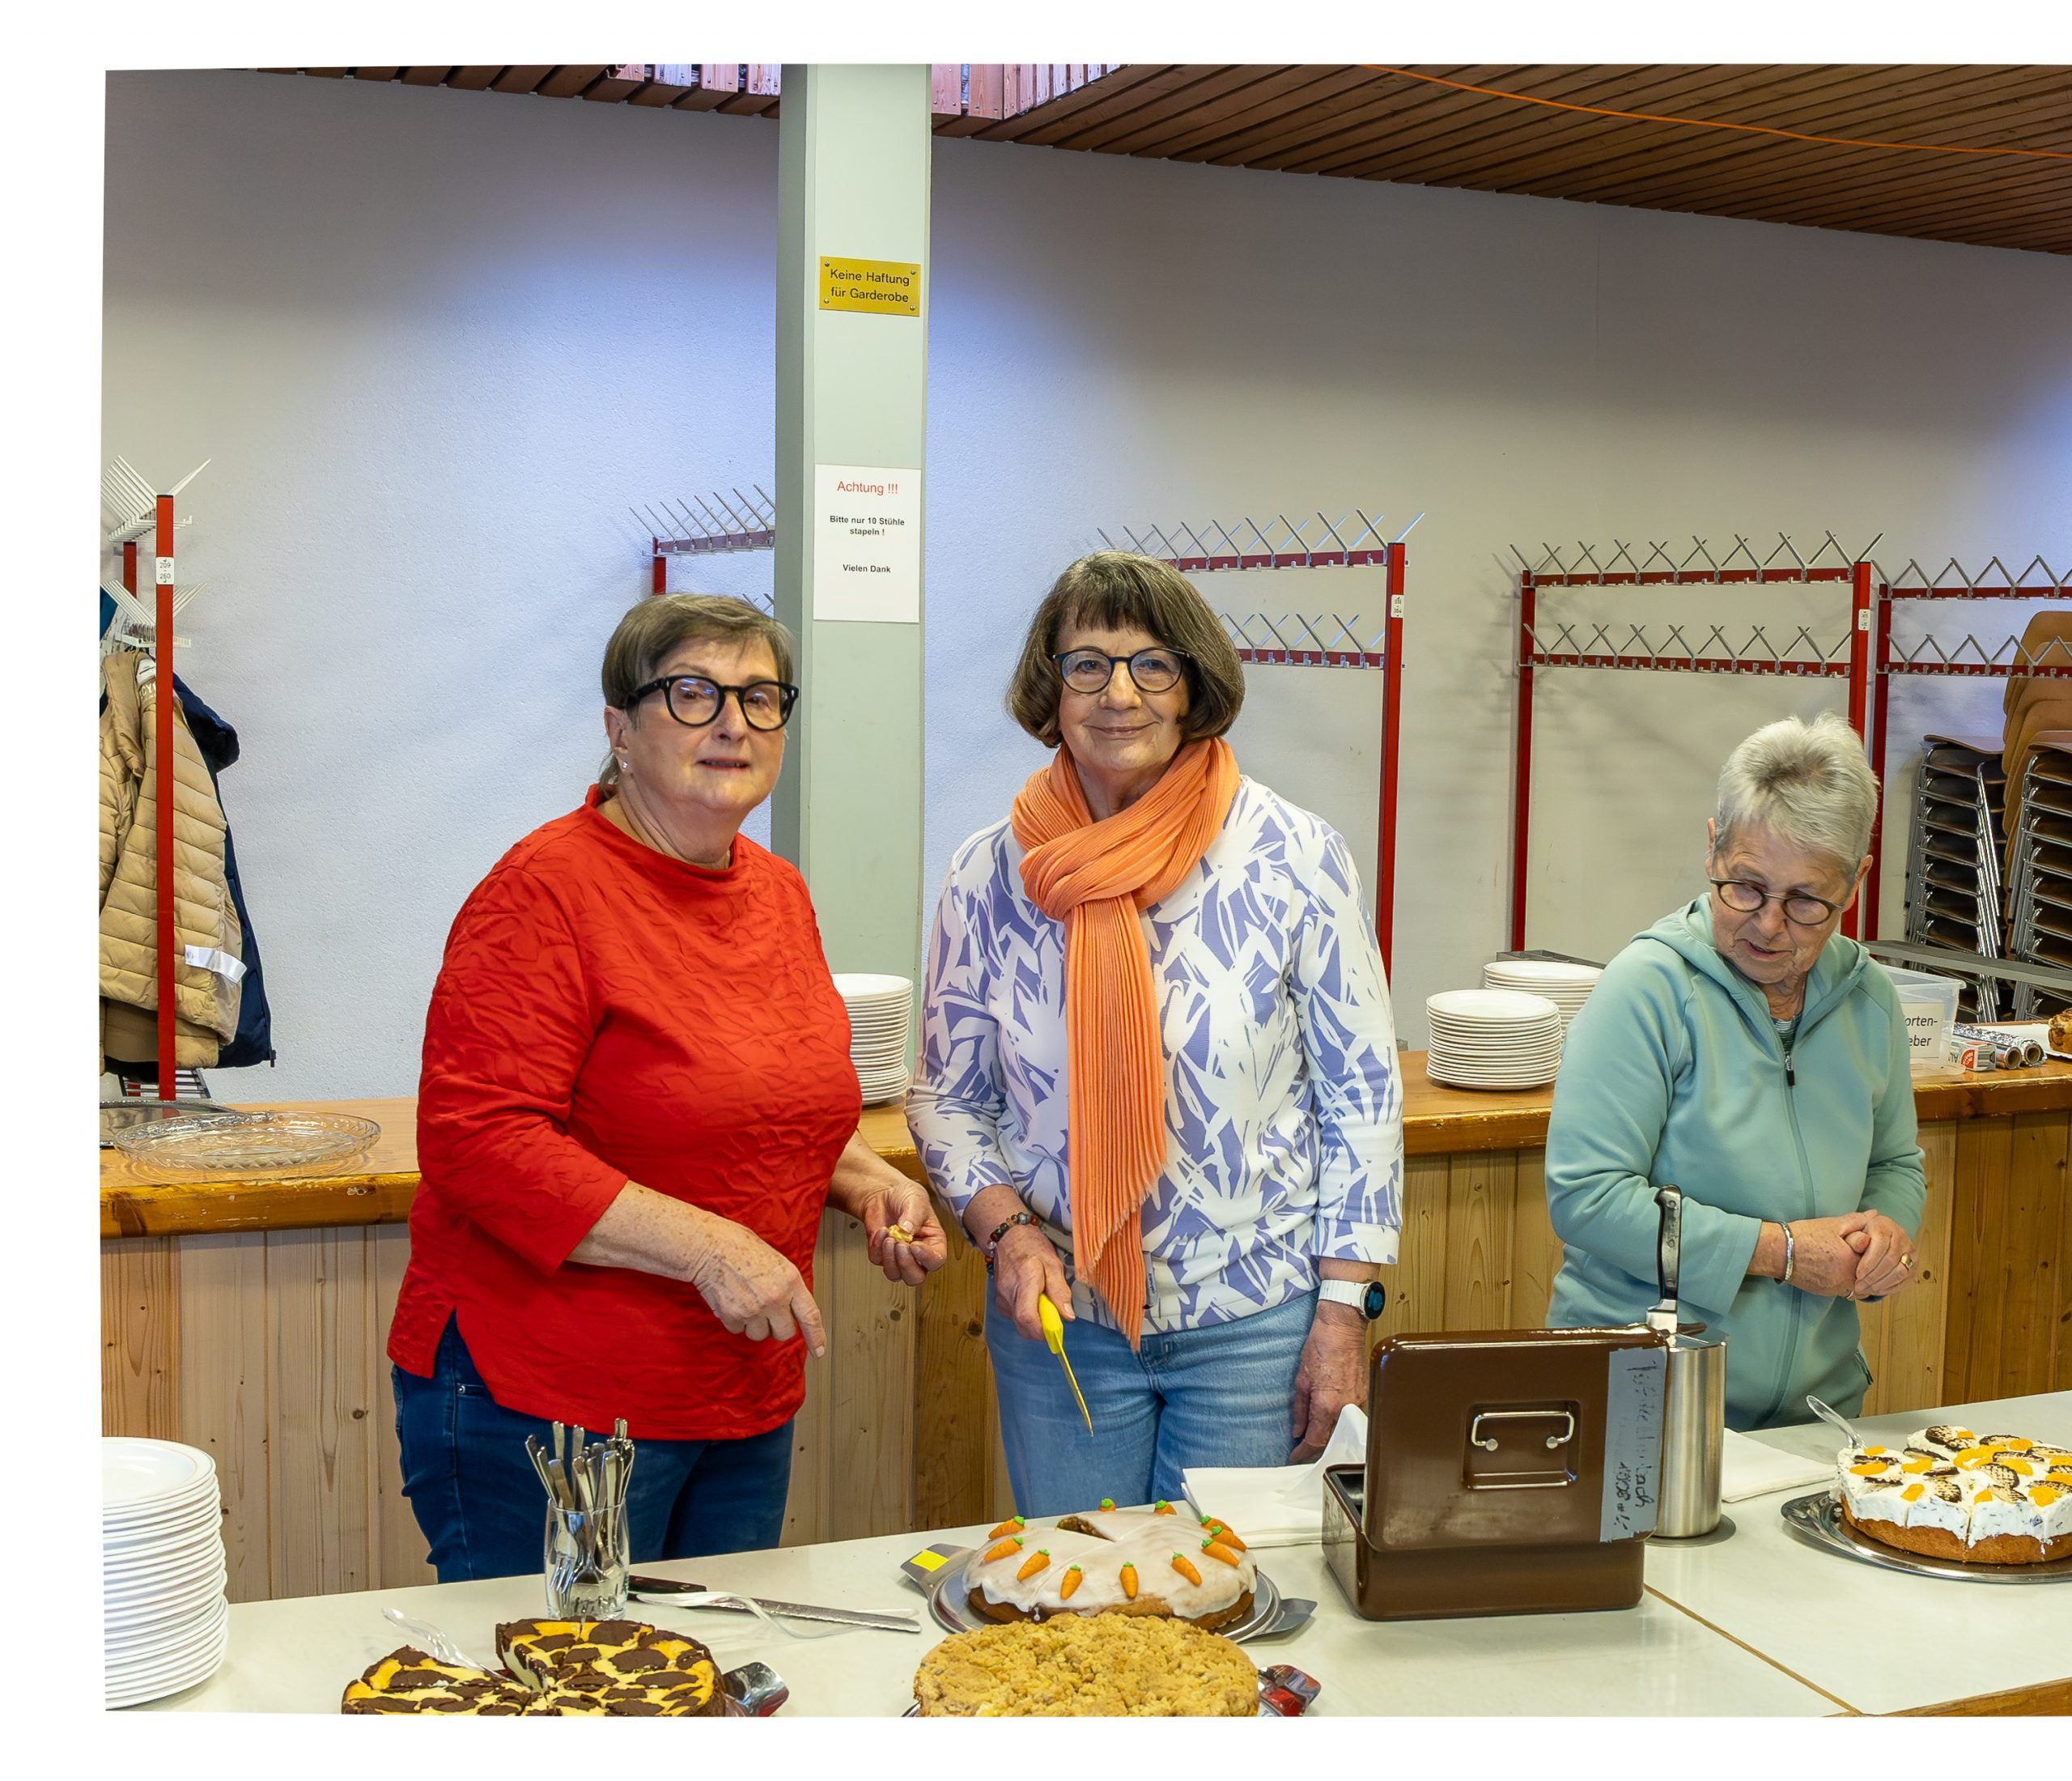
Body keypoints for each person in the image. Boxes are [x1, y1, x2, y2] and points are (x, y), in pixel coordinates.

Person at [389, 593, 947, 1579]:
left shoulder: (775, 891)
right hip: (552, 1404)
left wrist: (866, 1180)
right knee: (564, 1670)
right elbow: (480, 1142)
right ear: (620, 729)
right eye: (693, 693)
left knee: (706, 1664)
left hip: (736, 1391)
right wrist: (708, 1245)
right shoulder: (542, 892)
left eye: (761, 696)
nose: (734, 723)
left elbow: (764, 1100)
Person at [908, 550, 1403, 1514]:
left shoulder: (1294, 856)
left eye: (1151, 664)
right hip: (1060, 1322)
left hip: (1254, 1320)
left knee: (1231, 1586)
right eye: (1087, 664)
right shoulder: (988, 874)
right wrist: (1006, 1230)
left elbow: (1362, 1096)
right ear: (1050, 689)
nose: (1119, 693)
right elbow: (945, 1097)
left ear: (1192, 687)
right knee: (1083, 1586)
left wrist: (1343, 1312)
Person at [1544, 712, 1926, 1430]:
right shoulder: (1648, 988)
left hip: (1817, 1411)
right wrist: (1781, 1253)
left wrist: (1886, 1241)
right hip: (1644, 1401)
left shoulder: (1869, 998)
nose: (1769, 925)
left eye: (1807, 901)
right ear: (1712, 845)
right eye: (1745, 886)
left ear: (1857, 881)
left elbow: (1895, 1164)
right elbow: (1588, 1197)